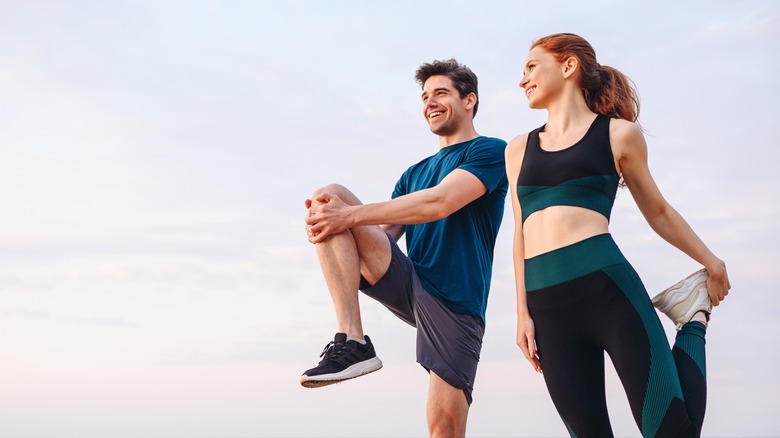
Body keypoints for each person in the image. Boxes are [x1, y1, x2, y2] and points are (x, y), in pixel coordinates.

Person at [505, 33, 731, 437]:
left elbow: (658, 211)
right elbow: (520, 232)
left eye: (532, 67)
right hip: (546, 306)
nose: (523, 79)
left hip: (607, 291)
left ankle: (692, 319)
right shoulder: (518, 149)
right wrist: (522, 312)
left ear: (568, 66)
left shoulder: (618, 134)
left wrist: (710, 262)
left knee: (673, 433)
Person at [300, 59, 508, 437]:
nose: (430, 102)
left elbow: (440, 202)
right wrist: (330, 227)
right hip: (410, 282)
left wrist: (348, 216)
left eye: (441, 93)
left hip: (455, 299)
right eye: (425, 97)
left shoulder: (490, 151)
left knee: (443, 427)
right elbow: (382, 236)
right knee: (327, 198)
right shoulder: (413, 174)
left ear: (469, 100)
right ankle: (353, 339)